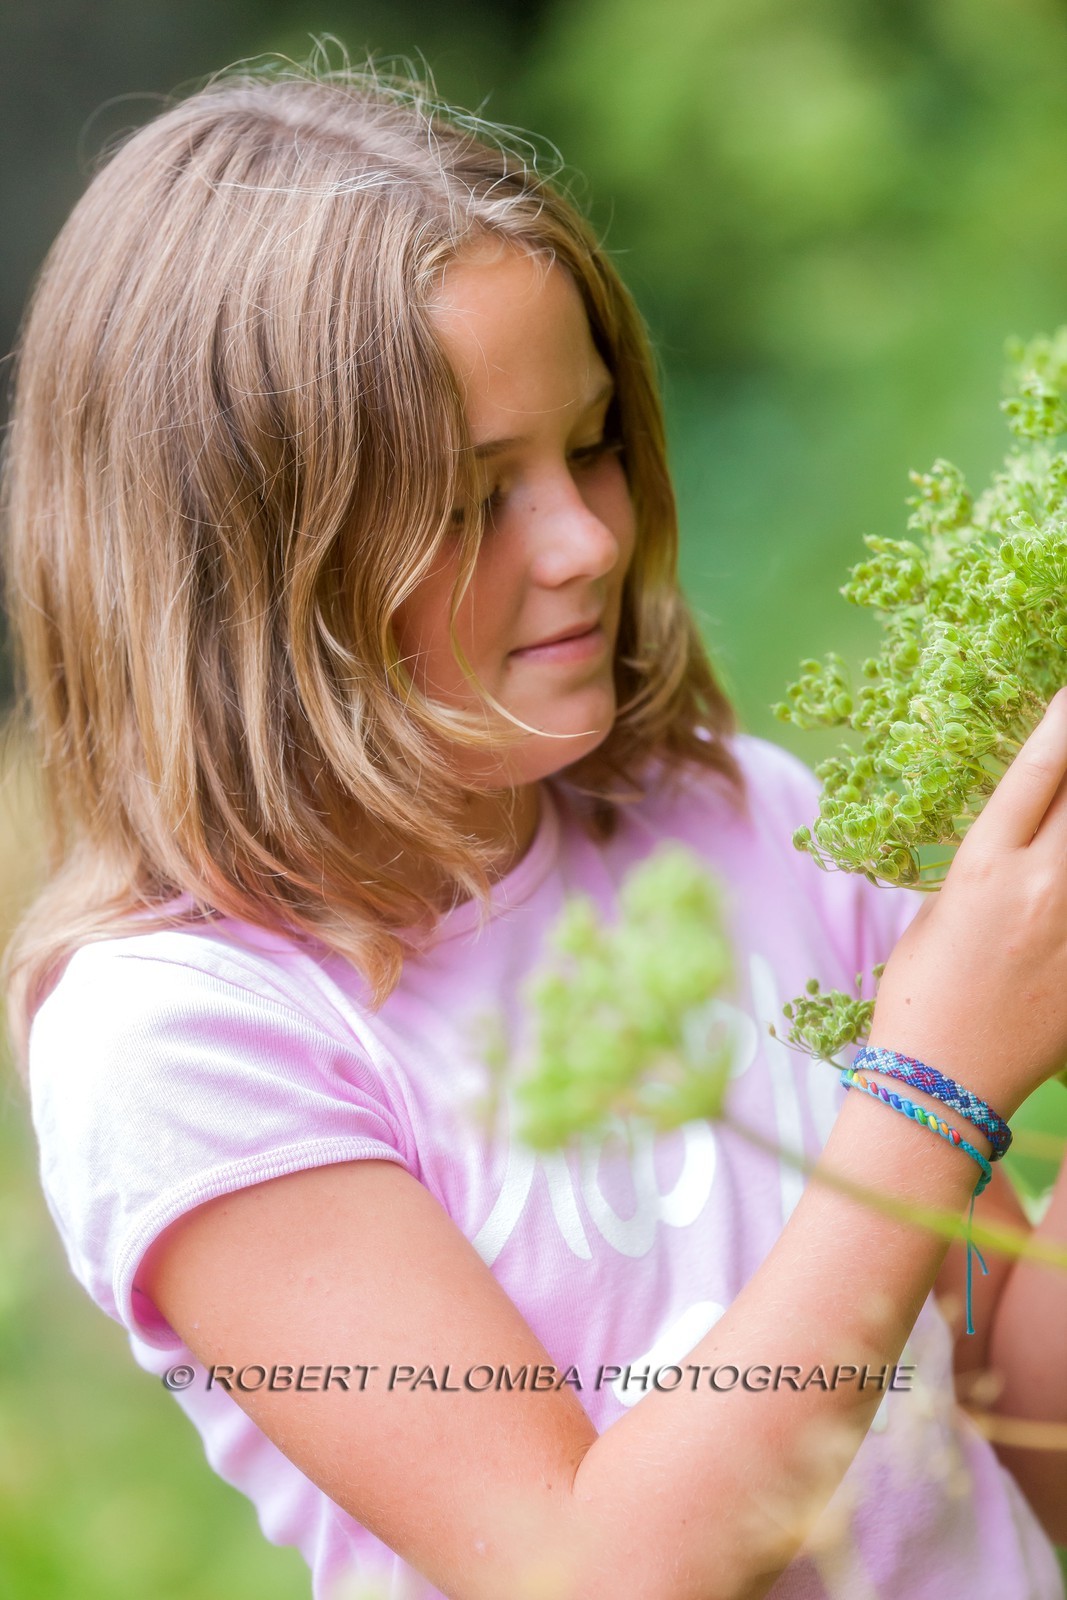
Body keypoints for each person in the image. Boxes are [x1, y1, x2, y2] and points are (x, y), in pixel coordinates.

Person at [4, 57, 1066, 1600]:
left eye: (593, 445)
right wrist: (935, 1083)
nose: (583, 540)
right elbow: (586, 1565)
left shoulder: (737, 818)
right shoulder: (185, 1038)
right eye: (468, 500)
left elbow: (1027, 1413)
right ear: (241, 575)